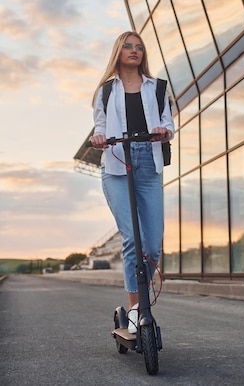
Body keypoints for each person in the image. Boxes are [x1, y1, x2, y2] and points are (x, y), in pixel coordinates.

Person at [89, 31, 174, 334]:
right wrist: (98, 137)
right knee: (131, 239)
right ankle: (137, 307)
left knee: (152, 243)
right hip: (116, 166)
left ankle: (140, 306)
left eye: (139, 47)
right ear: (118, 52)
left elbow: (169, 122)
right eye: (127, 46)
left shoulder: (158, 87)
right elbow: (100, 125)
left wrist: (165, 131)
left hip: (149, 165)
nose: (134, 50)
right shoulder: (106, 91)